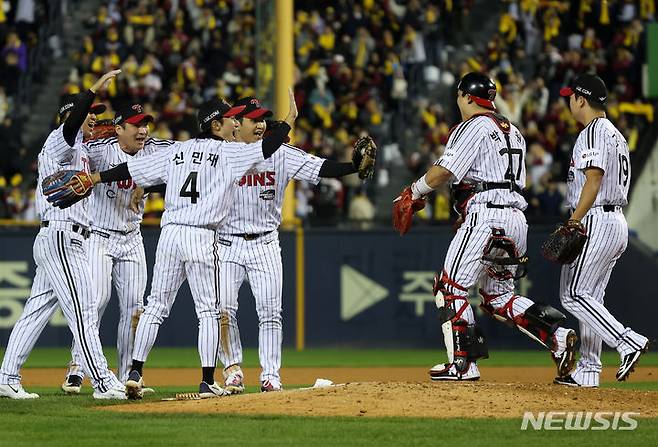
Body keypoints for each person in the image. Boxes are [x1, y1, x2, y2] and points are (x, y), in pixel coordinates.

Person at [61, 90, 298, 399]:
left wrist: (95, 178)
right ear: (216, 125)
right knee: (209, 311)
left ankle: (135, 371)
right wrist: (288, 121)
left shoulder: (178, 151)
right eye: (231, 120)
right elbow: (268, 146)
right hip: (201, 235)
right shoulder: (229, 152)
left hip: (171, 232)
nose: (236, 125)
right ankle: (207, 380)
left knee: (155, 307)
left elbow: (131, 171)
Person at [395, 72, 577, 381]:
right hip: (516, 218)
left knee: (449, 287)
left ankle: (463, 365)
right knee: (498, 297)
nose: (458, 102)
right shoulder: (514, 130)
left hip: (486, 214)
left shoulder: (473, 126)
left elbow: (444, 171)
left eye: (459, 96)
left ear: (467, 96)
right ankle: (558, 337)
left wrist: (414, 191)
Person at [215, 97, 370, 393]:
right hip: (226, 243)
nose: (260, 124)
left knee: (271, 312)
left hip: (265, 243)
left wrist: (352, 166)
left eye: (263, 119)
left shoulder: (281, 154)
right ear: (237, 124)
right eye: (254, 119)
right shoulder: (223, 153)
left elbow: (320, 168)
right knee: (223, 309)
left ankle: (271, 375)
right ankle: (232, 369)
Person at [0, 70, 128, 400]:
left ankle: (7, 376)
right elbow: (71, 126)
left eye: (96, 114)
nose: (93, 119)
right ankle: (102, 382)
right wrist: (91, 91)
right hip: (61, 236)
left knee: (36, 310)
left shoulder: (83, 149)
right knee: (84, 310)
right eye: (89, 113)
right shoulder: (60, 141)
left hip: (67, 237)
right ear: (71, 117)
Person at [61, 104, 177, 394]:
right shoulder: (101, 149)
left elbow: (191, 158)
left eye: (145, 124)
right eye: (136, 125)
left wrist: (154, 185)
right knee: (96, 301)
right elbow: (70, 148)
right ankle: (77, 367)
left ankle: (129, 376)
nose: (143, 130)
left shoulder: (155, 149)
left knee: (135, 309)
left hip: (131, 236)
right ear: (119, 129)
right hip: (98, 236)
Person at [553, 74, 648, 387]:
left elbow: (593, 181)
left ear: (581, 99)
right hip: (614, 220)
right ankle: (589, 371)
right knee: (591, 296)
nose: (568, 101)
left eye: (571, 97)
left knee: (574, 294)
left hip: (596, 218)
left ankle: (627, 341)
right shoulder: (615, 134)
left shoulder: (593, 132)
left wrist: (574, 220)